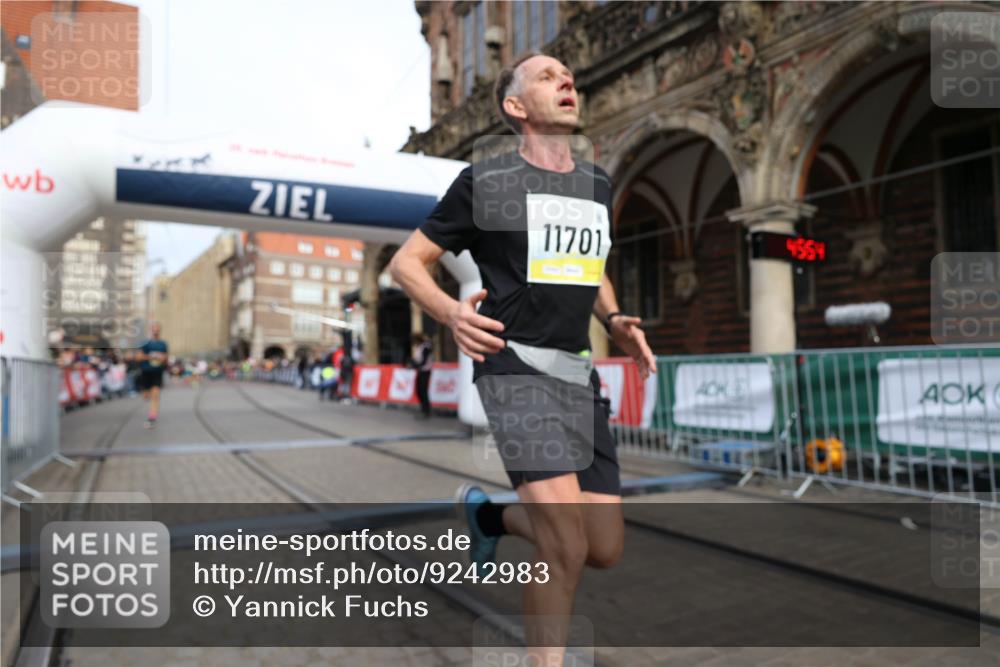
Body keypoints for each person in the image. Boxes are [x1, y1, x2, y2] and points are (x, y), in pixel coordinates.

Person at [389, 52, 656, 661]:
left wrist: (614, 319)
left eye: (569, 74)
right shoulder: (485, 182)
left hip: (576, 373)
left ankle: (492, 519)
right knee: (564, 547)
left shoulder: (597, 183)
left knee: (603, 546)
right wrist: (451, 312)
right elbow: (407, 264)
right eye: (546, 76)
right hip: (514, 369)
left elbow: (594, 268)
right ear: (516, 106)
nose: (567, 80)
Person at [136, 322, 169, 428]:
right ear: (151, 330)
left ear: (160, 330)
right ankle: (146, 393)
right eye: (154, 329)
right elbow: (138, 357)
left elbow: (166, 358)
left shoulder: (163, 344)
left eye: (157, 329)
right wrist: (152, 356)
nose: (156, 331)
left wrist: (163, 358)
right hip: (146, 372)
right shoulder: (145, 343)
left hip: (157, 372)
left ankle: (152, 417)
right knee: (146, 396)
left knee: (155, 395)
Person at [410, 333, 434, 419]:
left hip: (426, 371)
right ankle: (423, 408)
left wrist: (415, 365)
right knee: (418, 390)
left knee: (423, 391)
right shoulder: (419, 348)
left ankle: (426, 411)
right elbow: (418, 359)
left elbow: (423, 361)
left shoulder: (425, 347)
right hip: (420, 371)